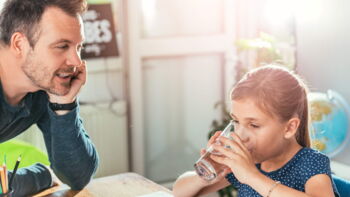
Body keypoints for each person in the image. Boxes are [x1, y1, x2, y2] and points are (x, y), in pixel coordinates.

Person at [173, 65, 340, 197]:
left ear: (289, 127)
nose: (240, 136)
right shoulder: (252, 161)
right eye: (236, 121)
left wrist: (252, 177)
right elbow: (178, 192)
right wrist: (207, 175)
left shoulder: (310, 163)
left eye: (254, 125)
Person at [0, 0, 99, 196]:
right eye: (62, 46)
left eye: (78, 47)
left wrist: (64, 104)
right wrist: (40, 177)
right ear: (19, 44)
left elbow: (77, 177)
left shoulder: (42, 88)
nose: (76, 62)